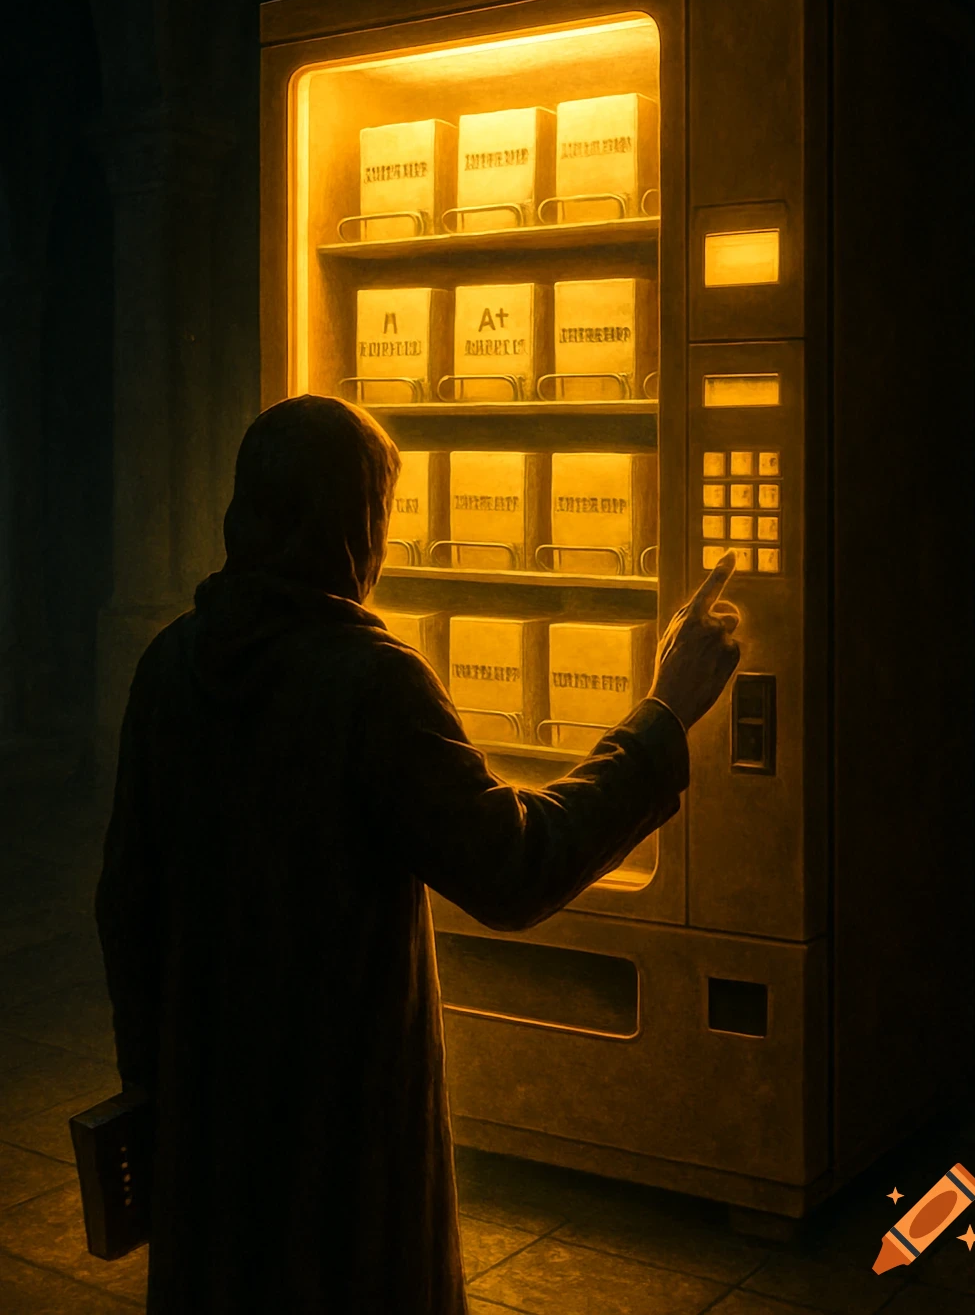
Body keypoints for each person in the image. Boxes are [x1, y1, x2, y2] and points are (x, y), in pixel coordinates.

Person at [95, 394, 741, 1315]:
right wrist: (662, 716)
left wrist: (155, 1088)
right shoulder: (373, 682)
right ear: (354, 524)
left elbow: (124, 904)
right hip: (344, 1144)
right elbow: (514, 869)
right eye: (382, 515)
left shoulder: (168, 664)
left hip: (212, 1128)